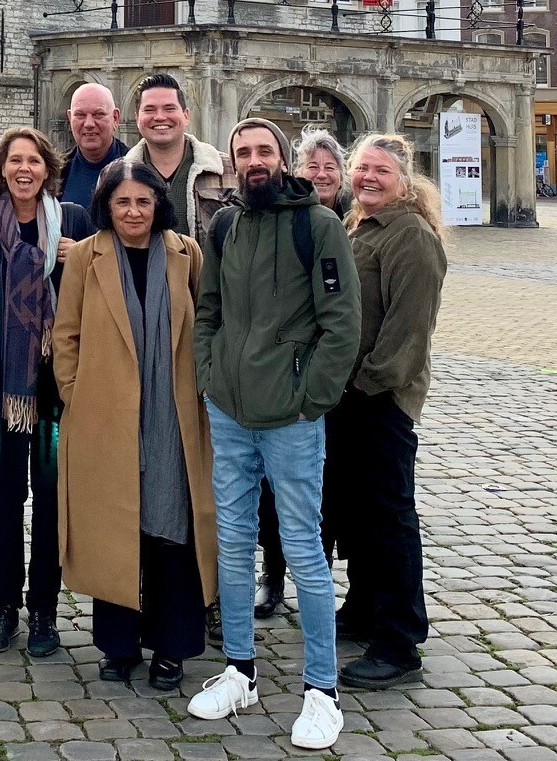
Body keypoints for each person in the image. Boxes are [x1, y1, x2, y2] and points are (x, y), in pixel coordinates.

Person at [188, 118, 361, 753]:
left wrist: (309, 396)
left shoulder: (318, 226)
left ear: (283, 160)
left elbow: (342, 324)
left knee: (304, 548)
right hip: (231, 411)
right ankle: (241, 669)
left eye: (264, 151)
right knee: (232, 544)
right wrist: (210, 373)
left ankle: (322, 690)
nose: (254, 161)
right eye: (243, 152)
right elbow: (209, 309)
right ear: (232, 162)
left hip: (290, 416)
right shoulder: (226, 225)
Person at [54, 159, 218, 692]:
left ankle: (172, 646)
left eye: (142, 202)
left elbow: (204, 318)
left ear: (158, 205)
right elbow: (66, 333)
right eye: (122, 202)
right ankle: (118, 646)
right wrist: (75, 394)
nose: (132, 211)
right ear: (107, 206)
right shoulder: (85, 256)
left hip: (172, 415)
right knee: (114, 527)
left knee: (173, 527)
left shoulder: (184, 253)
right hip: (104, 414)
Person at [0, 126, 93, 657]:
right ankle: (3, 606)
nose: (24, 170)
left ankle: (45, 614)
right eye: (15, 161)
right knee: (2, 499)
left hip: (56, 389)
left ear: (48, 168)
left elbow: (98, 295)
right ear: (2, 168)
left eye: (34, 161)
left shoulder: (73, 220)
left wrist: (80, 259)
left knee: (53, 501)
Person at [324, 134, 448, 691]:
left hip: (381, 399)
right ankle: (364, 606)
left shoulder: (411, 236)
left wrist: (367, 384)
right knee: (357, 514)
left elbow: (407, 331)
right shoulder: (359, 225)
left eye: (380, 170)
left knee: (389, 517)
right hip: (348, 396)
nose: (368, 178)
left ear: (403, 178)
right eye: (361, 169)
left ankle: (399, 639)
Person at [251, 129, 353, 622]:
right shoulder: (288, 219)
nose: (321, 174)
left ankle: (321, 574)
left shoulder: (354, 222)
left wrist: (323, 384)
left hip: (334, 382)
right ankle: (272, 573)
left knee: (329, 489)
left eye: (330, 167)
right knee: (275, 490)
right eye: (312, 166)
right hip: (286, 379)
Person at [123, 73, 234, 244]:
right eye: (150, 109)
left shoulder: (226, 169)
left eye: (169, 108)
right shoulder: (118, 175)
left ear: (186, 115)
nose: (159, 117)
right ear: (137, 118)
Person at [60, 82, 128, 208]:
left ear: (115, 118)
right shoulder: (54, 172)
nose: (89, 124)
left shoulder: (138, 167)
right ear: (70, 118)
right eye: (80, 115)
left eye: (98, 114)